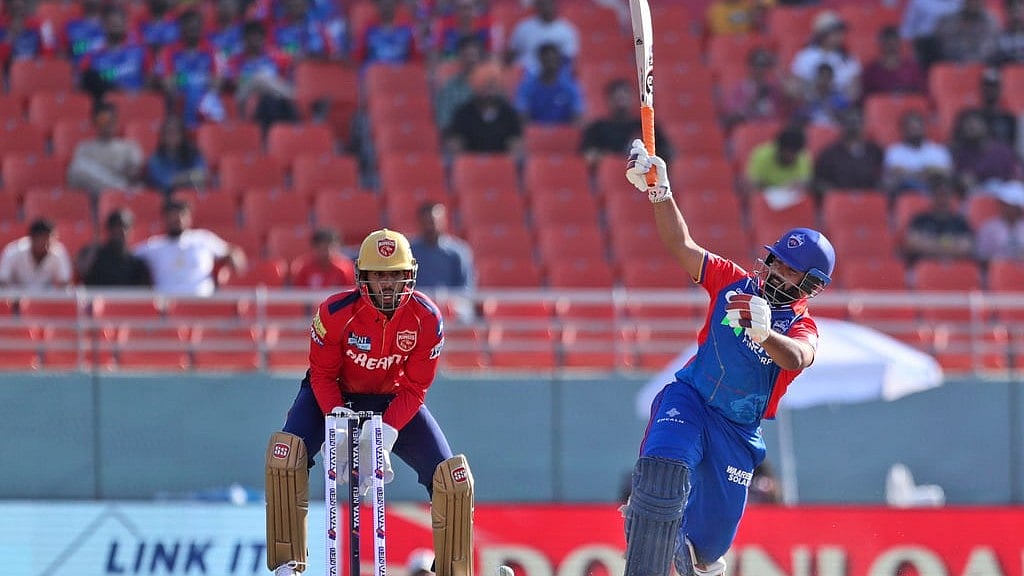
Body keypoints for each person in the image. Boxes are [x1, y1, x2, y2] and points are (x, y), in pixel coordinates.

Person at [622, 138, 836, 576]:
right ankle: (648, 517)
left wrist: (765, 334)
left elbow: (798, 357)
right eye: (775, 260)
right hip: (691, 399)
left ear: (810, 285)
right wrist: (660, 192)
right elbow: (682, 245)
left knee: (705, 553)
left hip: (737, 433)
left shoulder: (802, 326)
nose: (776, 270)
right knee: (663, 472)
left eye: (790, 269)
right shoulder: (732, 283)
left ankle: (684, 550)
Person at [265, 229, 474, 576]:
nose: (388, 285)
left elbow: (416, 387)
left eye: (396, 275)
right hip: (333, 395)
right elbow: (321, 375)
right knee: (284, 459)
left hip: (393, 399)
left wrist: (388, 432)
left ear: (410, 276)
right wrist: (338, 422)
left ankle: (452, 571)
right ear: (362, 277)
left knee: (452, 480)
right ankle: (288, 566)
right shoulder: (334, 312)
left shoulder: (427, 318)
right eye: (380, 275)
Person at [133, 198, 247, 296]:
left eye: (182, 214)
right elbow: (129, 256)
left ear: (189, 218)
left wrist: (234, 258)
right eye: (173, 215)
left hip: (203, 304)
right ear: (165, 218)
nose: (178, 219)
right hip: (167, 308)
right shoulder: (154, 246)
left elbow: (231, 252)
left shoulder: (203, 239)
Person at [580, 78, 673, 172]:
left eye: (624, 96)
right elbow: (589, 155)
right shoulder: (597, 128)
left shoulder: (646, 126)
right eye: (617, 97)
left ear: (632, 99)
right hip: (611, 176)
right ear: (608, 100)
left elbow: (667, 152)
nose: (621, 101)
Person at [67, 100, 146, 197]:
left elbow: (134, 174)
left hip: (125, 195)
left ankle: (116, 189)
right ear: (95, 122)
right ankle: (116, 188)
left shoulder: (129, 147)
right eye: (104, 120)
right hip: (95, 196)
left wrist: (129, 172)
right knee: (79, 167)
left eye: (113, 119)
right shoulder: (84, 148)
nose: (109, 124)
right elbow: (75, 180)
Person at [443, 62, 523, 155]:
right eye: (485, 86)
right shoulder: (463, 113)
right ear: (476, 87)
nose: (489, 92)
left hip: (500, 164)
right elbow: (454, 145)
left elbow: (516, 145)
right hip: (470, 164)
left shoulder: (509, 114)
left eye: (493, 86)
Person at [900, 173, 975, 267]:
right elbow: (912, 244)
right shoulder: (920, 220)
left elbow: (966, 247)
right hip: (922, 269)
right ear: (932, 197)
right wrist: (949, 248)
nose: (942, 199)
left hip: (954, 269)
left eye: (945, 195)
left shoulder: (961, 222)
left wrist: (929, 245)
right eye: (939, 195)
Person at [76, 208, 152, 287]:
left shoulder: (136, 264)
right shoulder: (94, 255)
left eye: (126, 227)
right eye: (118, 226)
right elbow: (81, 272)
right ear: (109, 229)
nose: (122, 231)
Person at [409, 202, 475, 290]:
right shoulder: (410, 252)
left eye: (433, 222)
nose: (430, 227)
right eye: (426, 222)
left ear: (444, 221)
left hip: (452, 302)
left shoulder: (459, 251)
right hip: (418, 302)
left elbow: (466, 287)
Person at [514, 42, 584, 126]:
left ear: (559, 60)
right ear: (540, 60)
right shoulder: (527, 86)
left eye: (554, 59)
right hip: (535, 133)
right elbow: (522, 114)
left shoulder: (570, 86)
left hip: (564, 133)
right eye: (547, 59)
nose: (550, 63)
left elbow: (577, 114)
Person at [0, 219, 73, 289]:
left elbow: (65, 283)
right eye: (42, 241)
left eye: (48, 242)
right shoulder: (13, 252)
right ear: (32, 238)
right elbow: (2, 281)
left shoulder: (58, 251)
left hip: (46, 300)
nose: (45, 246)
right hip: (16, 300)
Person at [145, 116, 209, 197]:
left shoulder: (193, 153)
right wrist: (190, 176)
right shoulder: (155, 159)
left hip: (191, 195)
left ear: (182, 135)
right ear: (162, 136)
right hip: (167, 199)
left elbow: (202, 174)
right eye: (169, 133)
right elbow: (166, 182)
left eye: (176, 132)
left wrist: (182, 179)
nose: (172, 136)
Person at [860, 25, 927, 100]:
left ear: (899, 43)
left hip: (910, 107)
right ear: (881, 44)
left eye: (894, 41)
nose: (891, 45)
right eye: (888, 42)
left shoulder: (912, 68)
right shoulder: (871, 70)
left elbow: (921, 93)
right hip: (883, 108)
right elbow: (867, 98)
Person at [289, 227, 356, 288]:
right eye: (322, 248)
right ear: (314, 248)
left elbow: (350, 293)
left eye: (331, 248)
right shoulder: (303, 267)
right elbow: (298, 294)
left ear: (338, 247)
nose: (327, 252)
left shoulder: (346, 269)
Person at [975, 180, 1024, 261]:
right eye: (1003, 204)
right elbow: (981, 256)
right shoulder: (989, 228)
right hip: (997, 270)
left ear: (1018, 208)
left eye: (1008, 205)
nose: (1004, 208)